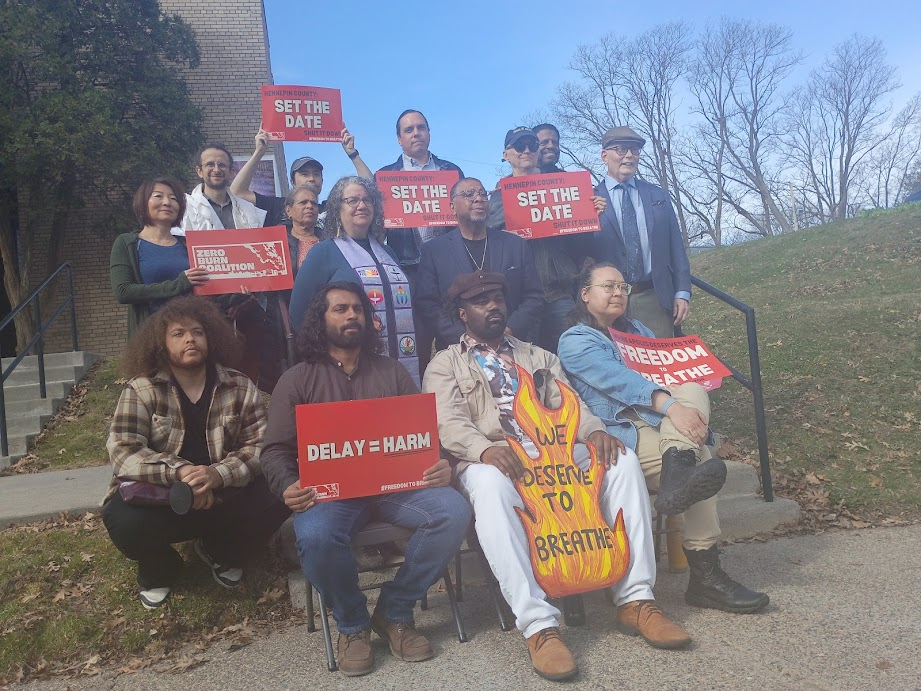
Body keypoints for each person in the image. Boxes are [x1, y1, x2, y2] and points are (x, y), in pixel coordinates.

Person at [424, 271, 692, 682]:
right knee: (490, 486)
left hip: (555, 450)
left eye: (497, 298)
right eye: (481, 302)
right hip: (490, 456)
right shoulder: (446, 363)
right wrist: (485, 450)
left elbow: (573, 403)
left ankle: (636, 600)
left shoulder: (538, 356)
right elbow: (448, 424)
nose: (493, 306)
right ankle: (539, 626)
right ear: (462, 314)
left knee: (621, 461)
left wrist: (595, 432)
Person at [260, 282, 470, 677]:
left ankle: (394, 610)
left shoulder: (391, 372)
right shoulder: (297, 379)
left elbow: (425, 436)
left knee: (453, 511)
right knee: (316, 536)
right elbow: (273, 450)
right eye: (340, 309)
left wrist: (442, 462)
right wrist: (287, 483)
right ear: (320, 319)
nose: (351, 315)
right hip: (332, 495)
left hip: (396, 488)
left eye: (358, 308)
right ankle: (353, 624)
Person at [558, 262, 769, 614]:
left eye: (623, 288)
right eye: (608, 286)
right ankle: (705, 576)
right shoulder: (575, 340)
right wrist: (672, 407)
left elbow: (671, 373)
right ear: (585, 294)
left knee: (689, 384)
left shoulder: (638, 330)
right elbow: (620, 382)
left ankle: (678, 466)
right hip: (624, 434)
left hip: (664, 429)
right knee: (700, 458)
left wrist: (693, 385)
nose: (617, 293)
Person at [102, 296, 289, 610]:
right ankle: (160, 567)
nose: (190, 338)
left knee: (280, 490)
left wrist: (217, 475)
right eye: (178, 333)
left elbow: (260, 447)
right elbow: (123, 450)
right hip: (165, 497)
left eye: (198, 332)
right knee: (121, 519)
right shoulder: (141, 389)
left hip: (223, 493)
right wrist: (180, 474)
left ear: (211, 338)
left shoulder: (240, 386)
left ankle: (220, 549)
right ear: (160, 344)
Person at [287, 176, 421, 384]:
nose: (362, 205)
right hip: (347, 364)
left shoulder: (387, 252)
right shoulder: (324, 251)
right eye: (352, 200)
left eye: (368, 200)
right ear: (337, 209)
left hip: (400, 355)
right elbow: (299, 312)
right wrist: (327, 354)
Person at [487, 127, 601, 352]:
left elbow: (581, 243)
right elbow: (489, 232)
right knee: (525, 358)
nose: (526, 150)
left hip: (559, 289)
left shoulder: (563, 188)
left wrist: (591, 213)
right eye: (520, 146)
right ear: (506, 154)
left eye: (532, 145)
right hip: (519, 296)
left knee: (573, 351)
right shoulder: (496, 196)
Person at [377, 109, 465, 372]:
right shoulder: (385, 177)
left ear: (428, 133)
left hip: (450, 267)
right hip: (408, 270)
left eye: (421, 128)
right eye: (408, 129)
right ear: (399, 139)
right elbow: (376, 227)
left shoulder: (451, 171)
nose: (416, 133)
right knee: (415, 345)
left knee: (456, 341)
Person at [415, 177, 543, 351]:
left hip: (512, 346)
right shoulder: (434, 251)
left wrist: (509, 330)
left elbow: (533, 296)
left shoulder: (515, 245)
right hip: (459, 351)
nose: (478, 198)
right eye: (468, 194)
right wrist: (466, 338)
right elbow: (428, 305)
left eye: (483, 193)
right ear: (452, 207)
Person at [592, 126, 691, 338]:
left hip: (654, 297)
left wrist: (682, 292)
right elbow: (581, 251)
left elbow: (676, 247)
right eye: (620, 149)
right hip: (608, 301)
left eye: (634, 150)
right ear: (604, 156)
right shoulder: (589, 201)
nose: (629, 155)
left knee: (662, 365)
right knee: (619, 365)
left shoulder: (658, 195)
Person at [110, 178, 209, 337]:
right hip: (151, 337)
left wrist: (239, 290)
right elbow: (123, 291)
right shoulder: (127, 243)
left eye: (173, 198)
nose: (167, 202)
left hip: (191, 337)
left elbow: (207, 289)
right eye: (158, 196)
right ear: (143, 202)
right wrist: (179, 284)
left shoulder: (189, 245)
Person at [229, 127, 372, 227]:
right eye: (304, 174)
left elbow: (370, 188)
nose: (311, 179)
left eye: (316, 174)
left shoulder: (331, 208)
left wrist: (352, 153)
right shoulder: (276, 206)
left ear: (322, 182)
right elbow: (237, 193)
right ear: (293, 182)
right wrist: (259, 152)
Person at [180, 142, 266, 232]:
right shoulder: (185, 208)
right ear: (199, 171)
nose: (216, 170)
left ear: (231, 171)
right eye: (210, 164)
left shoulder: (249, 210)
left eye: (222, 165)